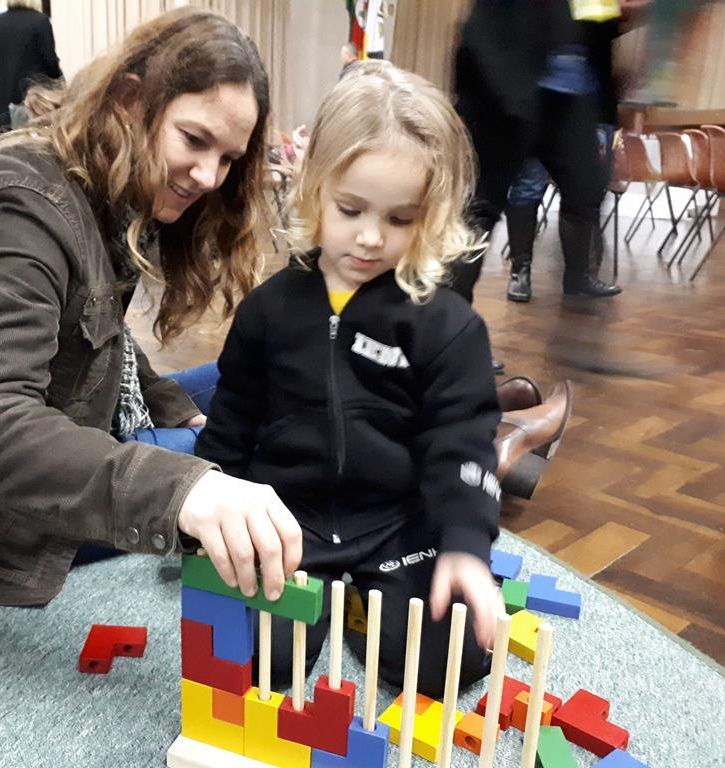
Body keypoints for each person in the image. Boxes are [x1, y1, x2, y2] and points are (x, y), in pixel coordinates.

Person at [0, 8, 302, 608]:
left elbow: (92, 328)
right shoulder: (25, 207)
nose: (209, 175)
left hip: (58, 418)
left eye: (228, 158)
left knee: (266, 371)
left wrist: (170, 403)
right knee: (267, 450)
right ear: (129, 99)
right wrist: (188, 492)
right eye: (194, 140)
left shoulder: (97, 177)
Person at [195, 61, 506, 697]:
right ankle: (346, 604)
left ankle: (368, 604)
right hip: (289, 522)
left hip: (397, 521)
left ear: (433, 216)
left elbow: (462, 439)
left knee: (451, 665)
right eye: (350, 209)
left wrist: (466, 543)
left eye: (400, 219)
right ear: (314, 190)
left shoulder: (448, 327)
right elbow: (231, 420)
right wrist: (205, 514)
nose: (369, 238)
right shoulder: (268, 310)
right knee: (252, 670)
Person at [451, 0, 622, 307]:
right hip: (507, 89)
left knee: (587, 187)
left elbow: (598, 21)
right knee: (482, 209)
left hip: (569, 93)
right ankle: (451, 320)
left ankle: (577, 277)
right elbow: (485, 28)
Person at [0, 0, 63, 119]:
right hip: (35, 96)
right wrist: (58, 82)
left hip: (8, 95)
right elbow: (49, 60)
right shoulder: (40, 20)